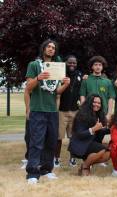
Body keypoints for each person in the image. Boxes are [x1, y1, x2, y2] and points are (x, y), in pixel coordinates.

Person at [25, 39, 70, 184]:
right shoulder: (34, 65)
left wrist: (66, 84)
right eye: (48, 47)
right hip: (38, 109)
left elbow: (56, 91)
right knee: (36, 142)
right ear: (43, 48)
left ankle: (46, 170)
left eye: (53, 47)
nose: (51, 49)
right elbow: (28, 87)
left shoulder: (55, 67)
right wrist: (38, 78)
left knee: (51, 142)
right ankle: (32, 172)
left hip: (52, 110)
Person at [68, 94, 111, 176]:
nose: (97, 104)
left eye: (99, 103)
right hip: (80, 144)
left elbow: (100, 131)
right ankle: (85, 167)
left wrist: (111, 130)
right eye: (94, 102)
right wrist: (93, 129)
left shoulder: (99, 115)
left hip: (90, 143)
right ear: (89, 102)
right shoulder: (81, 115)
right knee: (102, 149)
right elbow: (79, 134)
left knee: (107, 154)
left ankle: (86, 164)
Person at [54, 55, 82, 168]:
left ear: (76, 64)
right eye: (70, 62)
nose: (72, 65)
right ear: (66, 63)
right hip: (61, 110)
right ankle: (56, 159)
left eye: (74, 63)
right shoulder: (60, 74)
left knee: (73, 137)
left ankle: (72, 159)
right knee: (59, 137)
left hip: (74, 111)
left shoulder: (79, 74)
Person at [80, 55, 115, 121]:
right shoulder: (86, 80)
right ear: (92, 67)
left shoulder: (108, 82)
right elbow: (82, 97)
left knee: (103, 131)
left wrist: (109, 114)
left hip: (103, 113)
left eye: (100, 65)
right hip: (88, 113)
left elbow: (111, 98)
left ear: (102, 67)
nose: (98, 67)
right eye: (95, 65)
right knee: (89, 131)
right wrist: (83, 112)